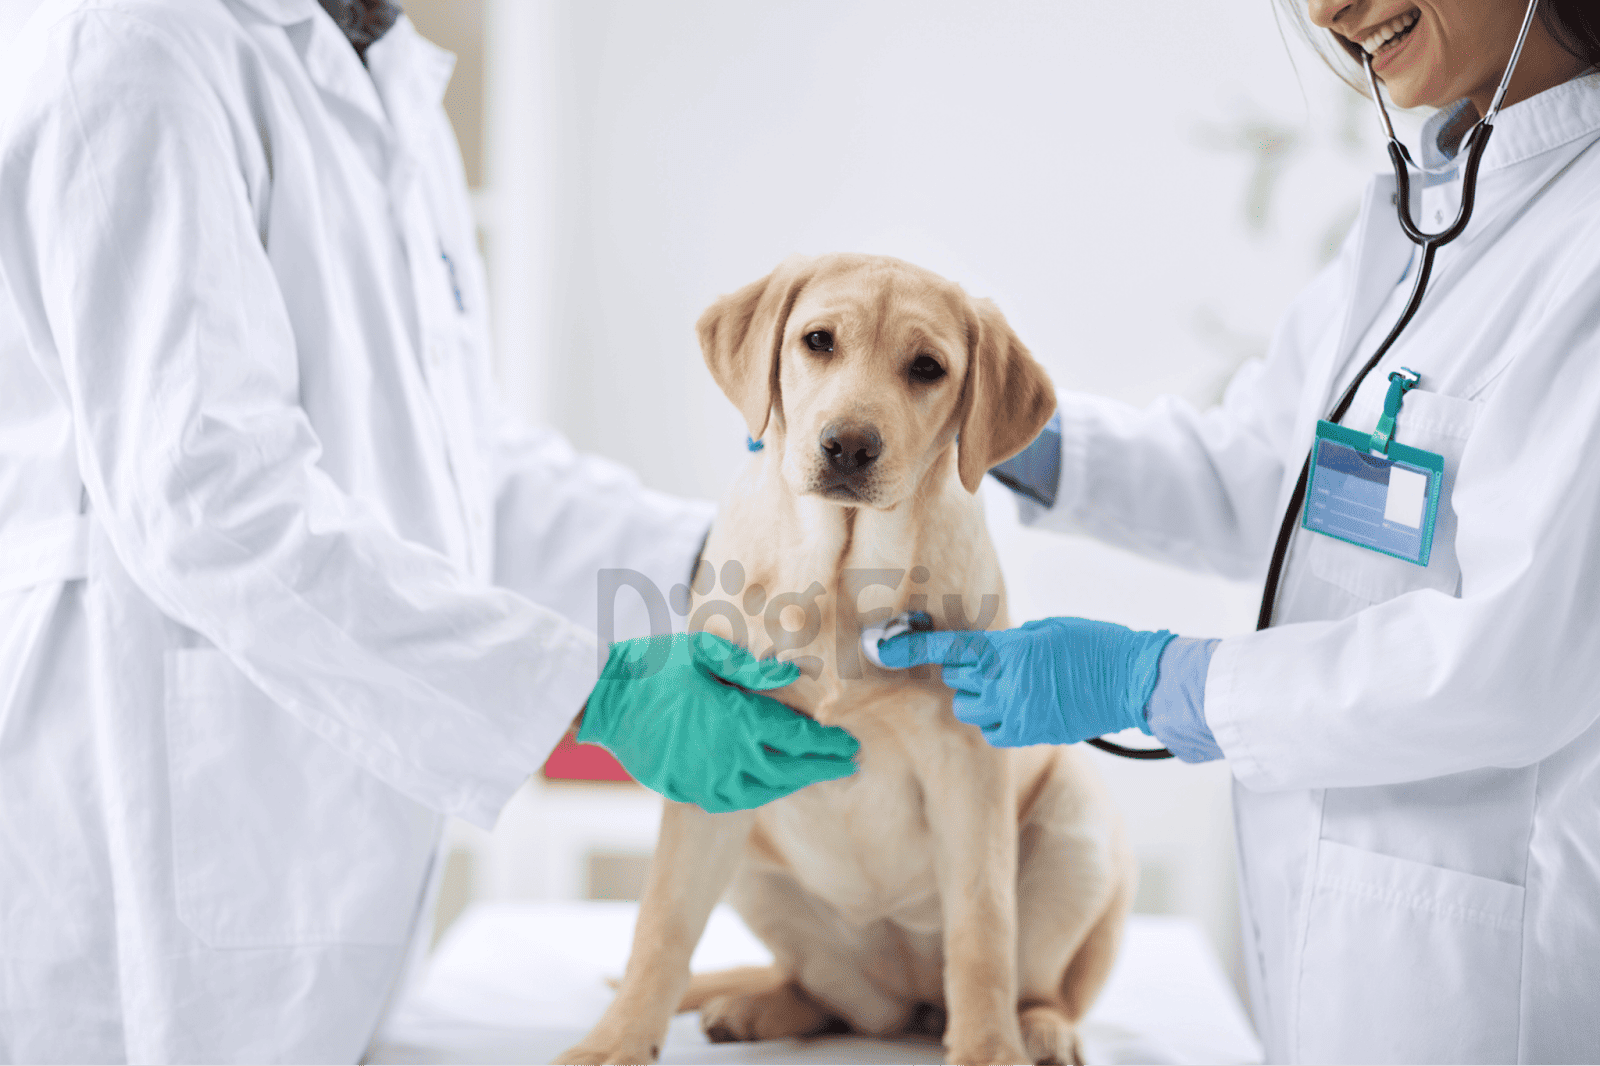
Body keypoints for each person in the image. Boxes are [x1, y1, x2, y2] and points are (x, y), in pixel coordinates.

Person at [0, 0, 855, 1062]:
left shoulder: (379, 71)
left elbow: (458, 469)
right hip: (158, 870)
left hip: (320, 871)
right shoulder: (130, 43)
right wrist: (592, 690)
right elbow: (209, 501)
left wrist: (744, 565)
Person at [883, 1, 1600, 1062]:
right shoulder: (1433, 211)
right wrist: (994, 426)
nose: (1326, 10)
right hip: (1351, 957)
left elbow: (1513, 662)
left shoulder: (1580, 244)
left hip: (1484, 977)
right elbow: (1267, 478)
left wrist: (1159, 681)